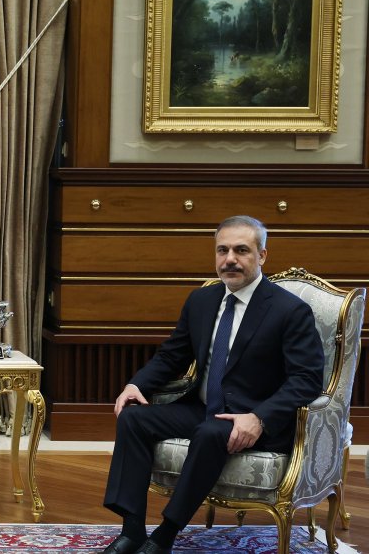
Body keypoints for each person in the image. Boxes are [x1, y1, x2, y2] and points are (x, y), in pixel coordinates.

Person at [99, 215, 324, 554]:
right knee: (134, 417)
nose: (230, 259)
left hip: (253, 417)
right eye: (222, 250)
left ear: (262, 255)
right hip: (203, 409)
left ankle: (165, 535)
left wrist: (259, 417)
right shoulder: (201, 301)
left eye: (241, 250)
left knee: (210, 433)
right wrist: (136, 386)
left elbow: (306, 380)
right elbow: (171, 356)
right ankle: (131, 530)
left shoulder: (289, 310)